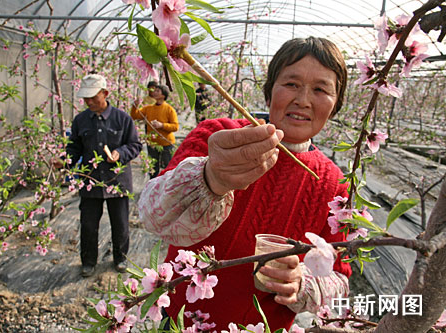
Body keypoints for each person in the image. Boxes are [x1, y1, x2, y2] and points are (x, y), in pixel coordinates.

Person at [138, 37, 352, 331]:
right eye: (291, 84)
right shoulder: (217, 136)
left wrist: (300, 284)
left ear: (335, 104)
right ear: (269, 92)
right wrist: (210, 178)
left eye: (320, 89)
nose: (303, 99)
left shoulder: (333, 185)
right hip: (178, 320)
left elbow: (339, 280)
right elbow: (152, 215)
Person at [54, 74, 142, 277]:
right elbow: (74, 147)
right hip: (90, 181)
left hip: (116, 181)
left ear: (105, 93)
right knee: (88, 224)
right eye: (86, 99)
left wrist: (120, 154)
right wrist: (63, 160)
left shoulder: (122, 119)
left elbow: (135, 145)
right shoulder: (81, 120)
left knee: (120, 223)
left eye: (93, 97)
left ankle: (120, 258)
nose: (89, 102)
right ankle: (88, 262)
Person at [130, 84, 179, 179]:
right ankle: (153, 187)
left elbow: (175, 126)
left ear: (163, 95)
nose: (154, 92)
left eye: (157, 91)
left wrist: (162, 125)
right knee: (153, 167)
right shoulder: (149, 108)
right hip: (152, 143)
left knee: (167, 168)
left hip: (166, 143)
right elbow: (135, 116)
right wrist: (135, 106)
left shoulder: (169, 109)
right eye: (154, 90)